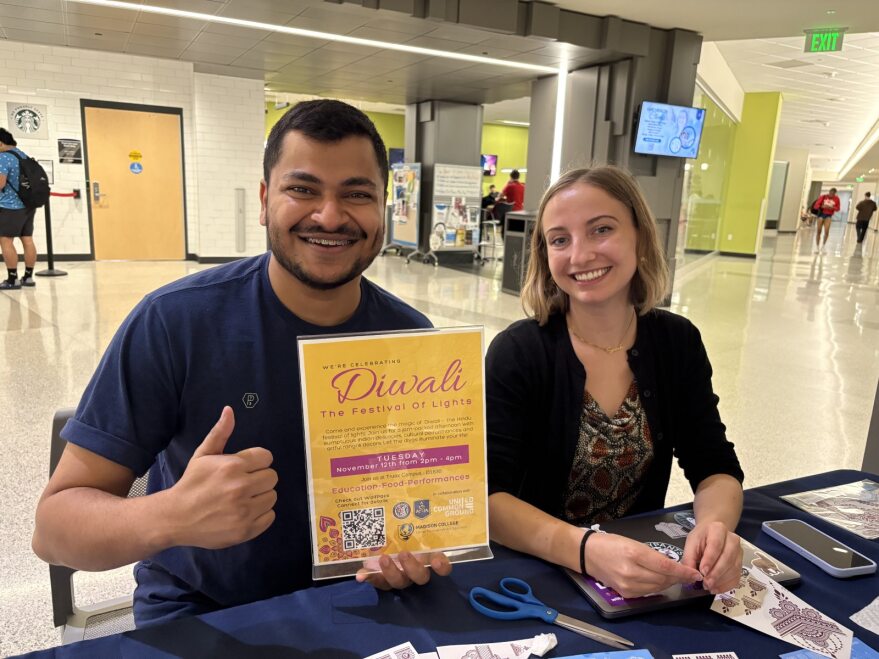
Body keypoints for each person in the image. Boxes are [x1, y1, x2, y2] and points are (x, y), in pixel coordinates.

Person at [32, 100, 451, 628]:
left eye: (357, 194)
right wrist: (171, 515)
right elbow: (54, 531)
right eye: (302, 189)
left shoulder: (412, 341)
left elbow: (414, 512)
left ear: (382, 207)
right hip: (204, 609)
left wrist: (404, 556)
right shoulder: (175, 321)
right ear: (263, 200)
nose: (329, 215)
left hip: (360, 601)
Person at [485, 166, 744, 599]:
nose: (580, 255)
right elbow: (488, 499)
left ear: (639, 237)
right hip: (536, 574)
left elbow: (714, 465)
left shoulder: (676, 341)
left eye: (600, 230)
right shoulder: (519, 352)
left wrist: (716, 529)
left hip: (641, 575)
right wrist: (588, 550)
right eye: (560, 239)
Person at [0, 128, 38, 290]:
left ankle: (12, 279)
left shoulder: (3, 158)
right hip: (28, 205)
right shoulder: (22, 155)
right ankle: (28, 278)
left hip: (10, 206)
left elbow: (0, 183)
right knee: (27, 239)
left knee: (5, 240)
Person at [812, 187, 840, 253]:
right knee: (819, 231)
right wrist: (822, 206)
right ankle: (817, 246)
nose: (831, 195)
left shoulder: (837, 199)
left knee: (826, 232)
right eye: (830, 193)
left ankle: (823, 246)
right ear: (829, 192)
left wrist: (832, 207)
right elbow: (816, 206)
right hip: (821, 215)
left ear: (835, 194)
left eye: (833, 194)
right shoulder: (823, 196)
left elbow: (838, 208)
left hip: (829, 216)